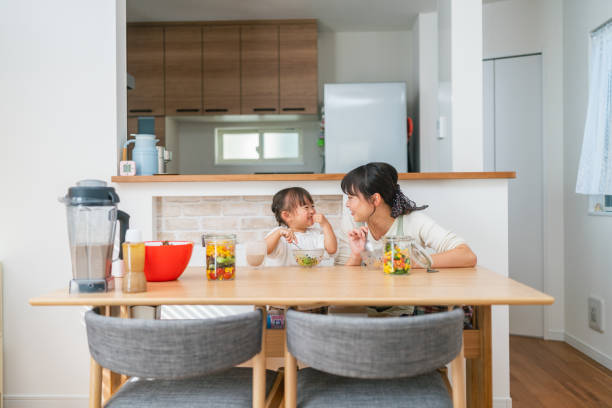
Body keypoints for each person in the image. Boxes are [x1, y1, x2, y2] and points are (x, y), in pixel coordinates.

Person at [336, 162, 477, 319]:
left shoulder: (413, 222)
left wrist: (413, 261)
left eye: (351, 198)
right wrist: (356, 255)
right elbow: (342, 284)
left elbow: (467, 255)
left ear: (375, 199)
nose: (347, 204)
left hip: (406, 315)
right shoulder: (353, 222)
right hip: (363, 313)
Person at [265, 187, 337, 266]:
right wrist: (278, 233)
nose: (312, 211)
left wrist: (325, 224)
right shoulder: (280, 235)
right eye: (306, 207)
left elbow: (332, 249)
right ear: (287, 215)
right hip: (285, 278)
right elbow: (264, 249)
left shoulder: (316, 233)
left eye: (312, 206)